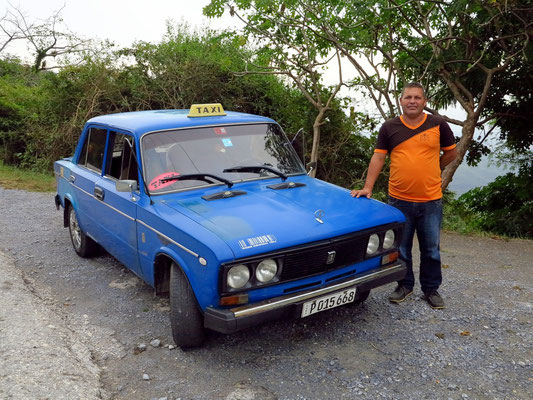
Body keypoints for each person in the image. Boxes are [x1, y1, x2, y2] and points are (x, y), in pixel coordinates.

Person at [351, 82, 457, 309]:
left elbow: (451, 152)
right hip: (399, 200)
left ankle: (431, 290)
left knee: (431, 248)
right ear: (401, 101)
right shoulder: (389, 127)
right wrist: (368, 187)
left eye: (417, 97)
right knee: (401, 248)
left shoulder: (438, 124)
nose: (412, 101)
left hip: (430, 199)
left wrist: (433, 168)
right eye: (408, 97)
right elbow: (378, 157)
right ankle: (405, 285)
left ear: (424, 102)